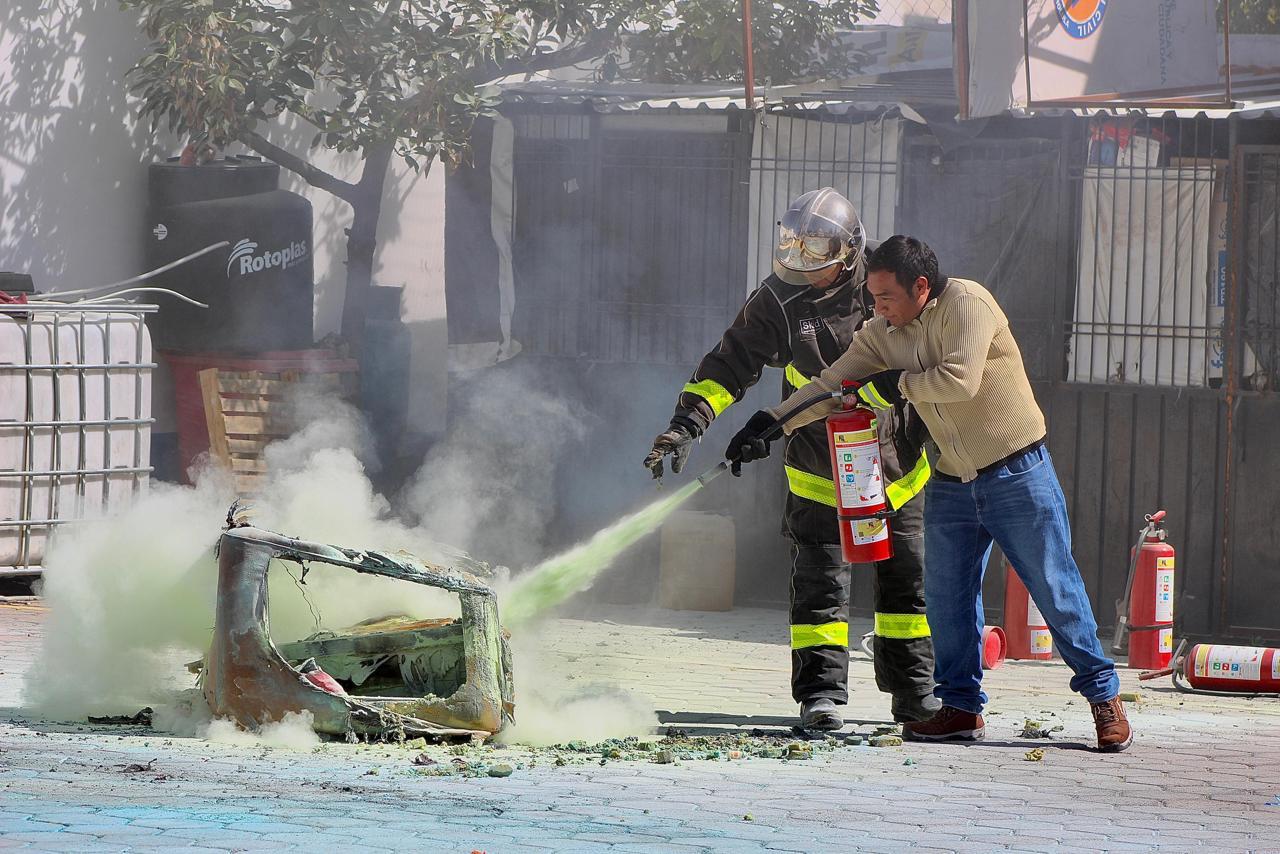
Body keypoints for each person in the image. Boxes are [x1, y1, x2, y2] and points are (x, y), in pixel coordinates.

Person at [732, 234, 1131, 752]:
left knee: (1054, 587)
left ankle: (1104, 699)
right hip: (951, 483)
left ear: (921, 286)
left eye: (885, 298)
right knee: (946, 601)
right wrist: (770, 425)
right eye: (871, 299)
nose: (874, 310)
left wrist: (893, 384)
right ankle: (961, 708)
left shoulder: (969, 303)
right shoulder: (880, 334)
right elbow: (830, 386)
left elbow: (959, 380)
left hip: (1016, 474)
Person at [644, 189, 938, 731]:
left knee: (906, 585)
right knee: (821, 583)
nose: (806, 265)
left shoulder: (882, 286)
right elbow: (730, 362)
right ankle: (822, 698)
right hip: (819, 461)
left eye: (818, 252)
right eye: (796, 250)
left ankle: (915, 696)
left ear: (851, 251)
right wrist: (688, 424)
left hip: (894, 460)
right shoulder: (779, 300)